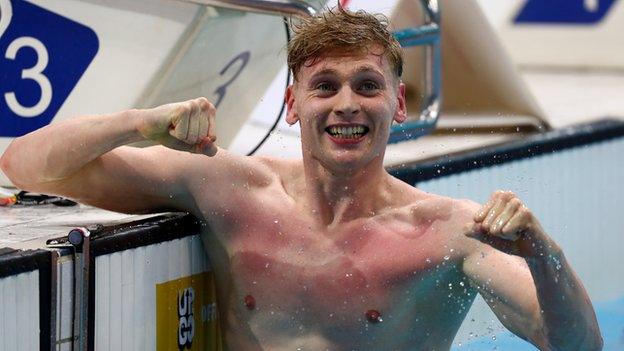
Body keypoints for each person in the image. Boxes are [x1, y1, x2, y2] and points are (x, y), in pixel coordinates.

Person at [1, 7, 602, 351]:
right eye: (325, 86)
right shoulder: (231, 189)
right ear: (293, 104)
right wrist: (139, 121)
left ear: (398, 105)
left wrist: (542, 251)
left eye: (368, 86)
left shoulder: (448, 232)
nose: (346, 104)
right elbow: (24, 165)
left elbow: (577, 346)